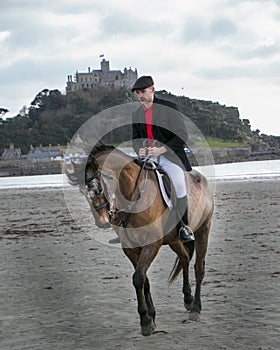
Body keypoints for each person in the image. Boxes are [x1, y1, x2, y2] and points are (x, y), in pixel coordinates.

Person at [131, 75, 194, 243]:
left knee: (179, 184)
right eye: (138, 93)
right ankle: (128, 227)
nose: (141, 96)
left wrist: (161, 149)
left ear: (152, 89)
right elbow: (135, 140)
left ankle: (183, 227)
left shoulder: (169, 107)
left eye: (143, 92)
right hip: (147, 159)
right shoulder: (137, 113)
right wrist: (141, 150)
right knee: (128, 182)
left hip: (170, 157)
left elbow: (182, 135)